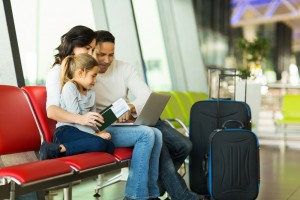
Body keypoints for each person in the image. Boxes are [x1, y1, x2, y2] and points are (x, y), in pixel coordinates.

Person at [46, 25, 163, 200]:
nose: (91, 53)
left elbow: (94, 108)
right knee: (147, 134)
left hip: (96, 124)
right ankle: (136, 196)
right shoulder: (59, 72)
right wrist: (83, 119)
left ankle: (151, 195)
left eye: (93, 49)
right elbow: (52, 110)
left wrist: (124, 111)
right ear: (72, 46)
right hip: (77, 129)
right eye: (87, 48)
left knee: (156, 134)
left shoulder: (87, 73)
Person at [93, 30, 199, 200]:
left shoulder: (124, 68)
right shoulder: (88, 74)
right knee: (158, 143)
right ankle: (182, 196)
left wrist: (131, 106)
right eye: (101, 54)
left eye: (111, 55)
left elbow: (146, 94)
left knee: (184, 145)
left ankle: (155, 187)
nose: (107, 60)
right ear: (91, 50)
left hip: (135, 117)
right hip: (112, 125)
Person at [40, 54, 115, 159]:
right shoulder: (70, 87)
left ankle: (60, 150)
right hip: (67, 131)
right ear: (80, 73)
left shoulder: (91, 93)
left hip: (83, 131)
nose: (95, 80)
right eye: (93, 76)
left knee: (110, 146)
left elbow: (93, 121)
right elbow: (76, 119)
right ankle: (56, 148)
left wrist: (100, 131)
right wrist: (95, 135)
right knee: (99, 143)